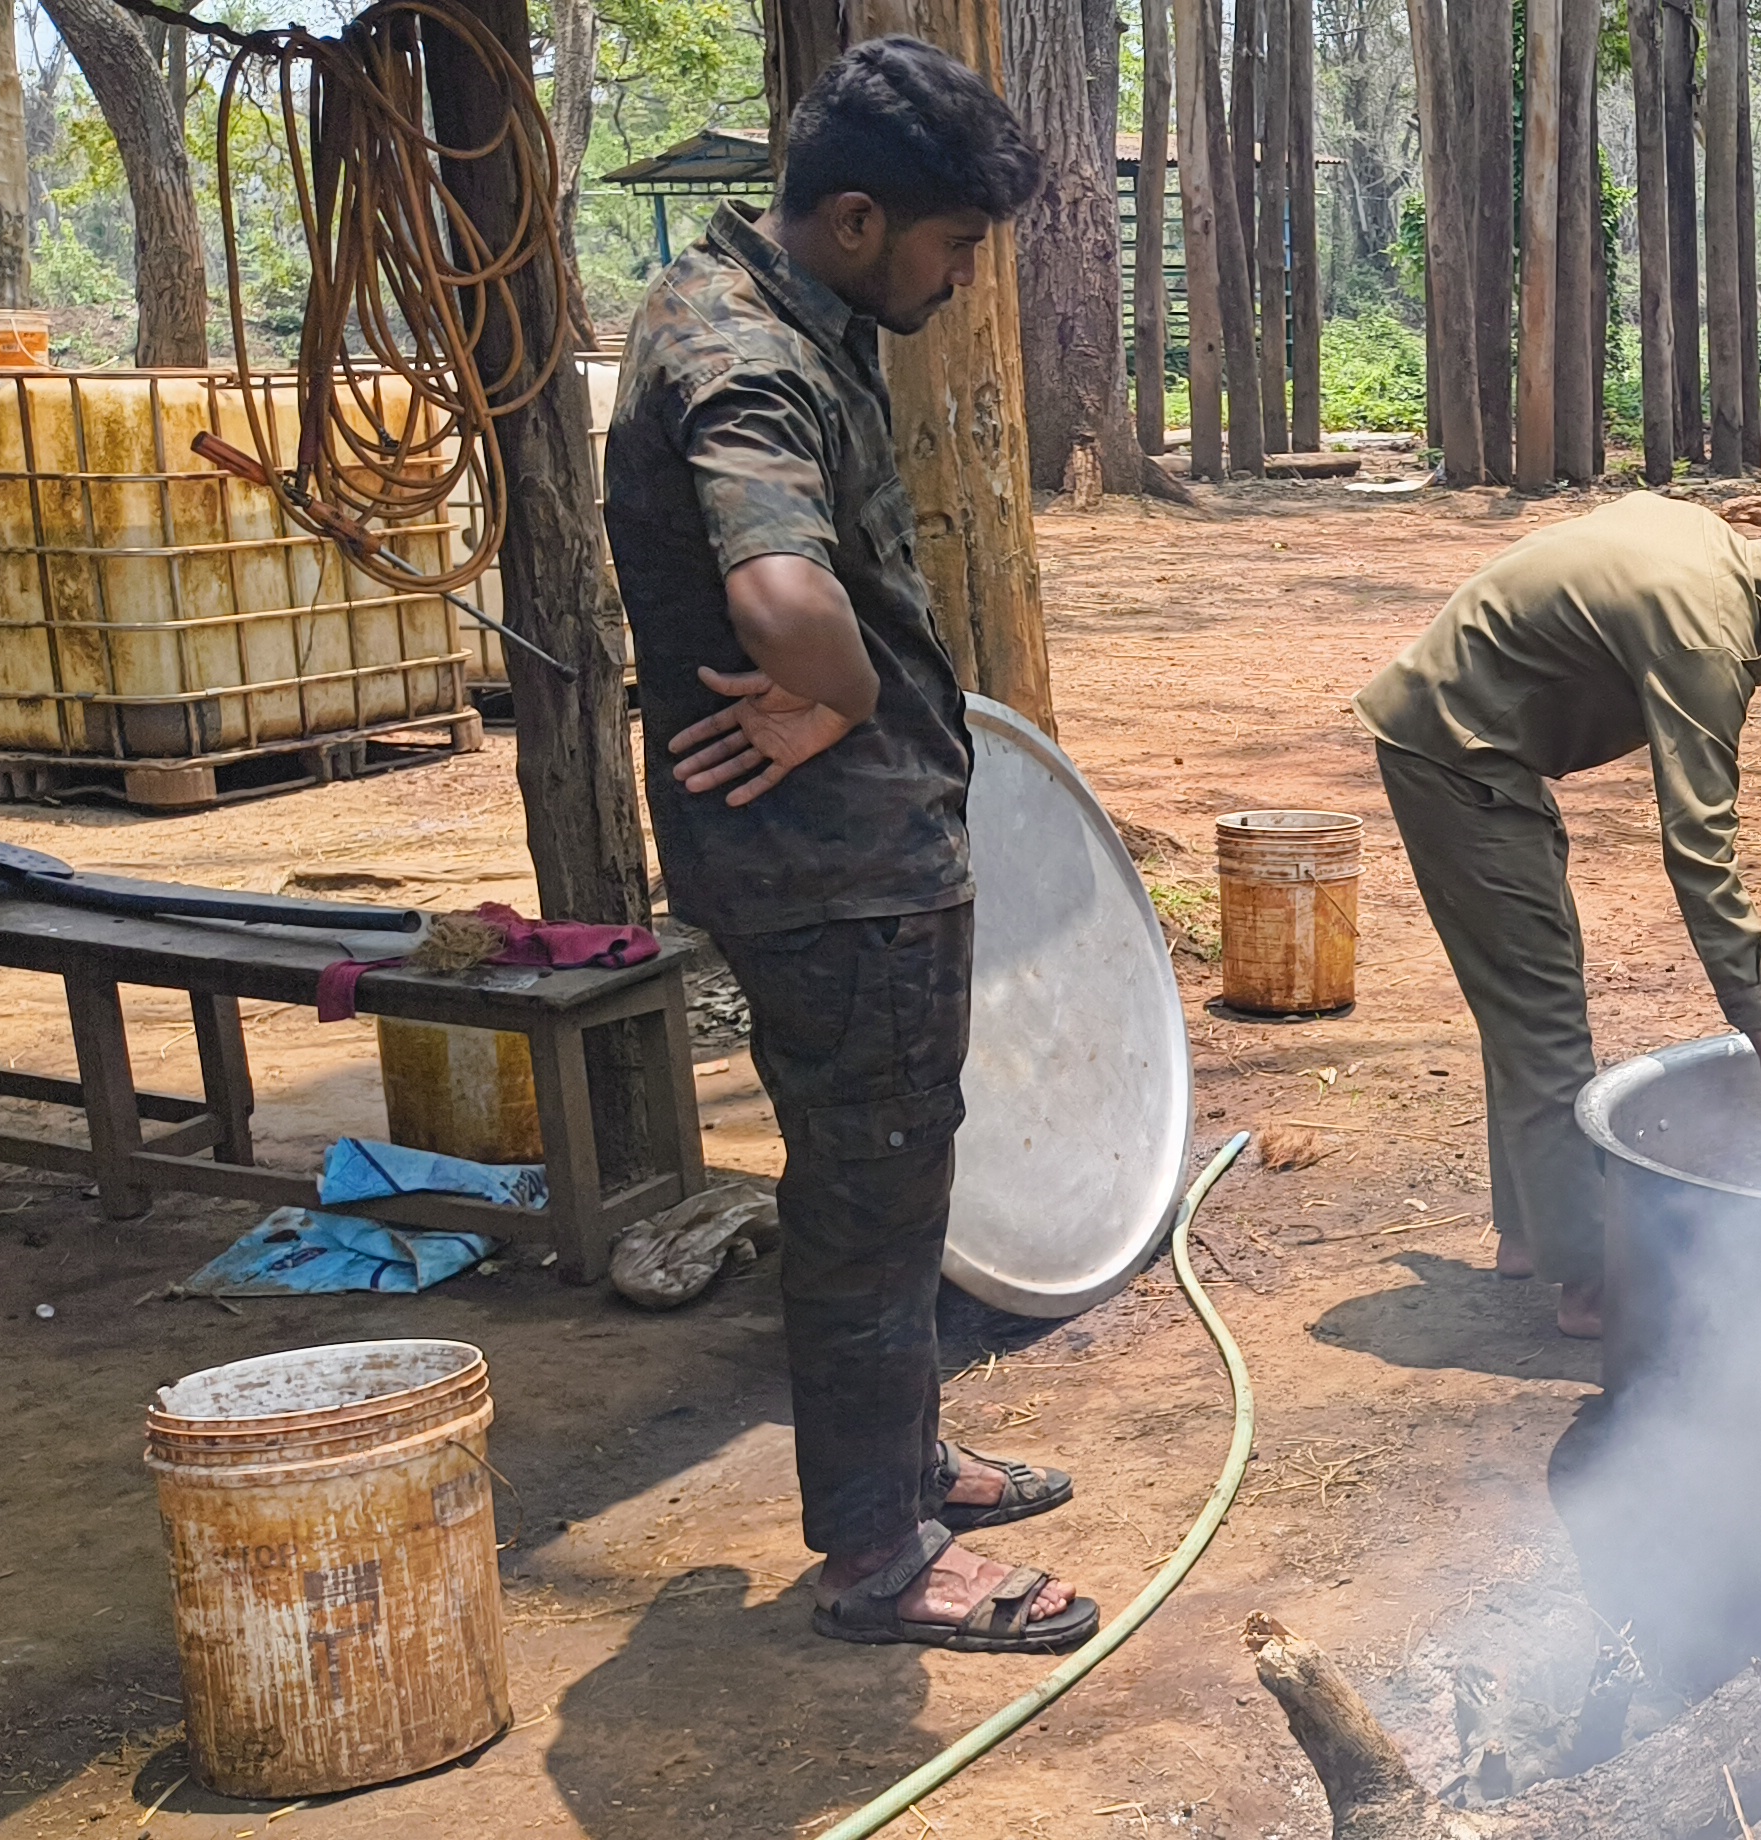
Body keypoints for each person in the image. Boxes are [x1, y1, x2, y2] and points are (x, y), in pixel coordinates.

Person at [605, 39, 1092, 1653]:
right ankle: (882, 1557)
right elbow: (784, 597)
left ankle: (901, 1461)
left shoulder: (736, 300)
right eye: (954, 249)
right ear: (865, 218)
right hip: (836, 873)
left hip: (838, 857)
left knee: (884, 1177)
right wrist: (839, 692)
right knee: (874, 1201)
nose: (961, 283)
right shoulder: (749, 358)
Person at [1359, 484, 1761, 1339]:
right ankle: (1591, 1284)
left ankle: (1529, 1234)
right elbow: (1699, 852)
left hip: (1476, 738)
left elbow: (1698, 610)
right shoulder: (1702, 631)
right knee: (1546, 1018)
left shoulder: (1710, 544)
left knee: (1527, 994)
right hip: (1457, 754)